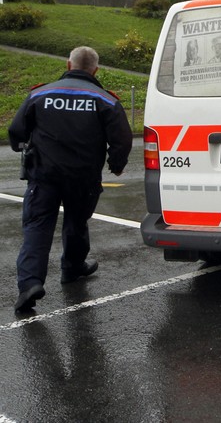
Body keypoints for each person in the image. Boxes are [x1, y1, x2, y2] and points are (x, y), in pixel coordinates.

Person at [9, 46, 132, 313]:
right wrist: (116, 165)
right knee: (76, 222)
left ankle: (30, 284)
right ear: (95, 70)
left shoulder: (40, 93)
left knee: (37, 226)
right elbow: (121, 139)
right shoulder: (105, 100)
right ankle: (71, 268)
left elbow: (17, 131)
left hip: (44, 176)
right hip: (83, 178)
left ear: (68, 65)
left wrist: (21, 147)